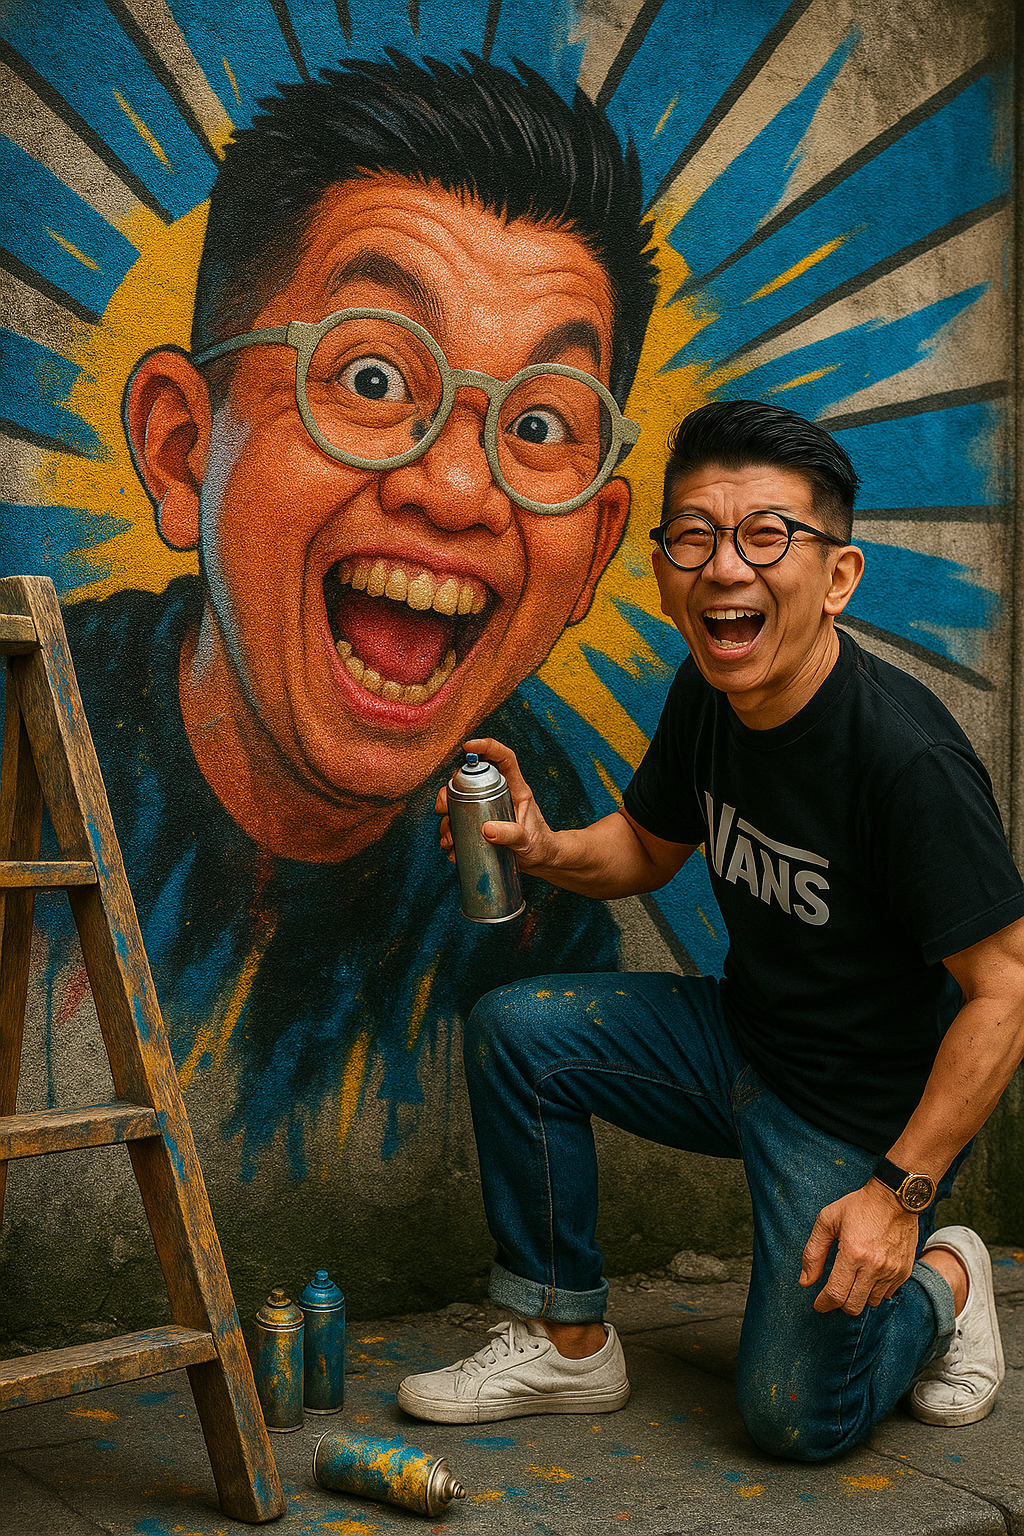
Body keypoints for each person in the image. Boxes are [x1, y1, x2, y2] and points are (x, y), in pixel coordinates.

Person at [56, 51, 661, 1168]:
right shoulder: (36, 739)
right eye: (373, 379)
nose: (458, 487)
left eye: (537, 426)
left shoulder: (536, 824)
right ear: (184, 453)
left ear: (592, 557)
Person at [397, 399, 1024, 1458]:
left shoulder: (904, 763)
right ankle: (568, 1341)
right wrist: (546, 849)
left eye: (767, 535)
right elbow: (646, 849)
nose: (724, 568)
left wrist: (899, 1193)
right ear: (661, 564)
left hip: (858, 1121)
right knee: (519, 1031)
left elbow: (1004, 991)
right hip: (740, 1042)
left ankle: (947, 1286)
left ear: (837, 578)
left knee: (794, 1419)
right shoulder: (709, 689)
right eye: (694, 536)